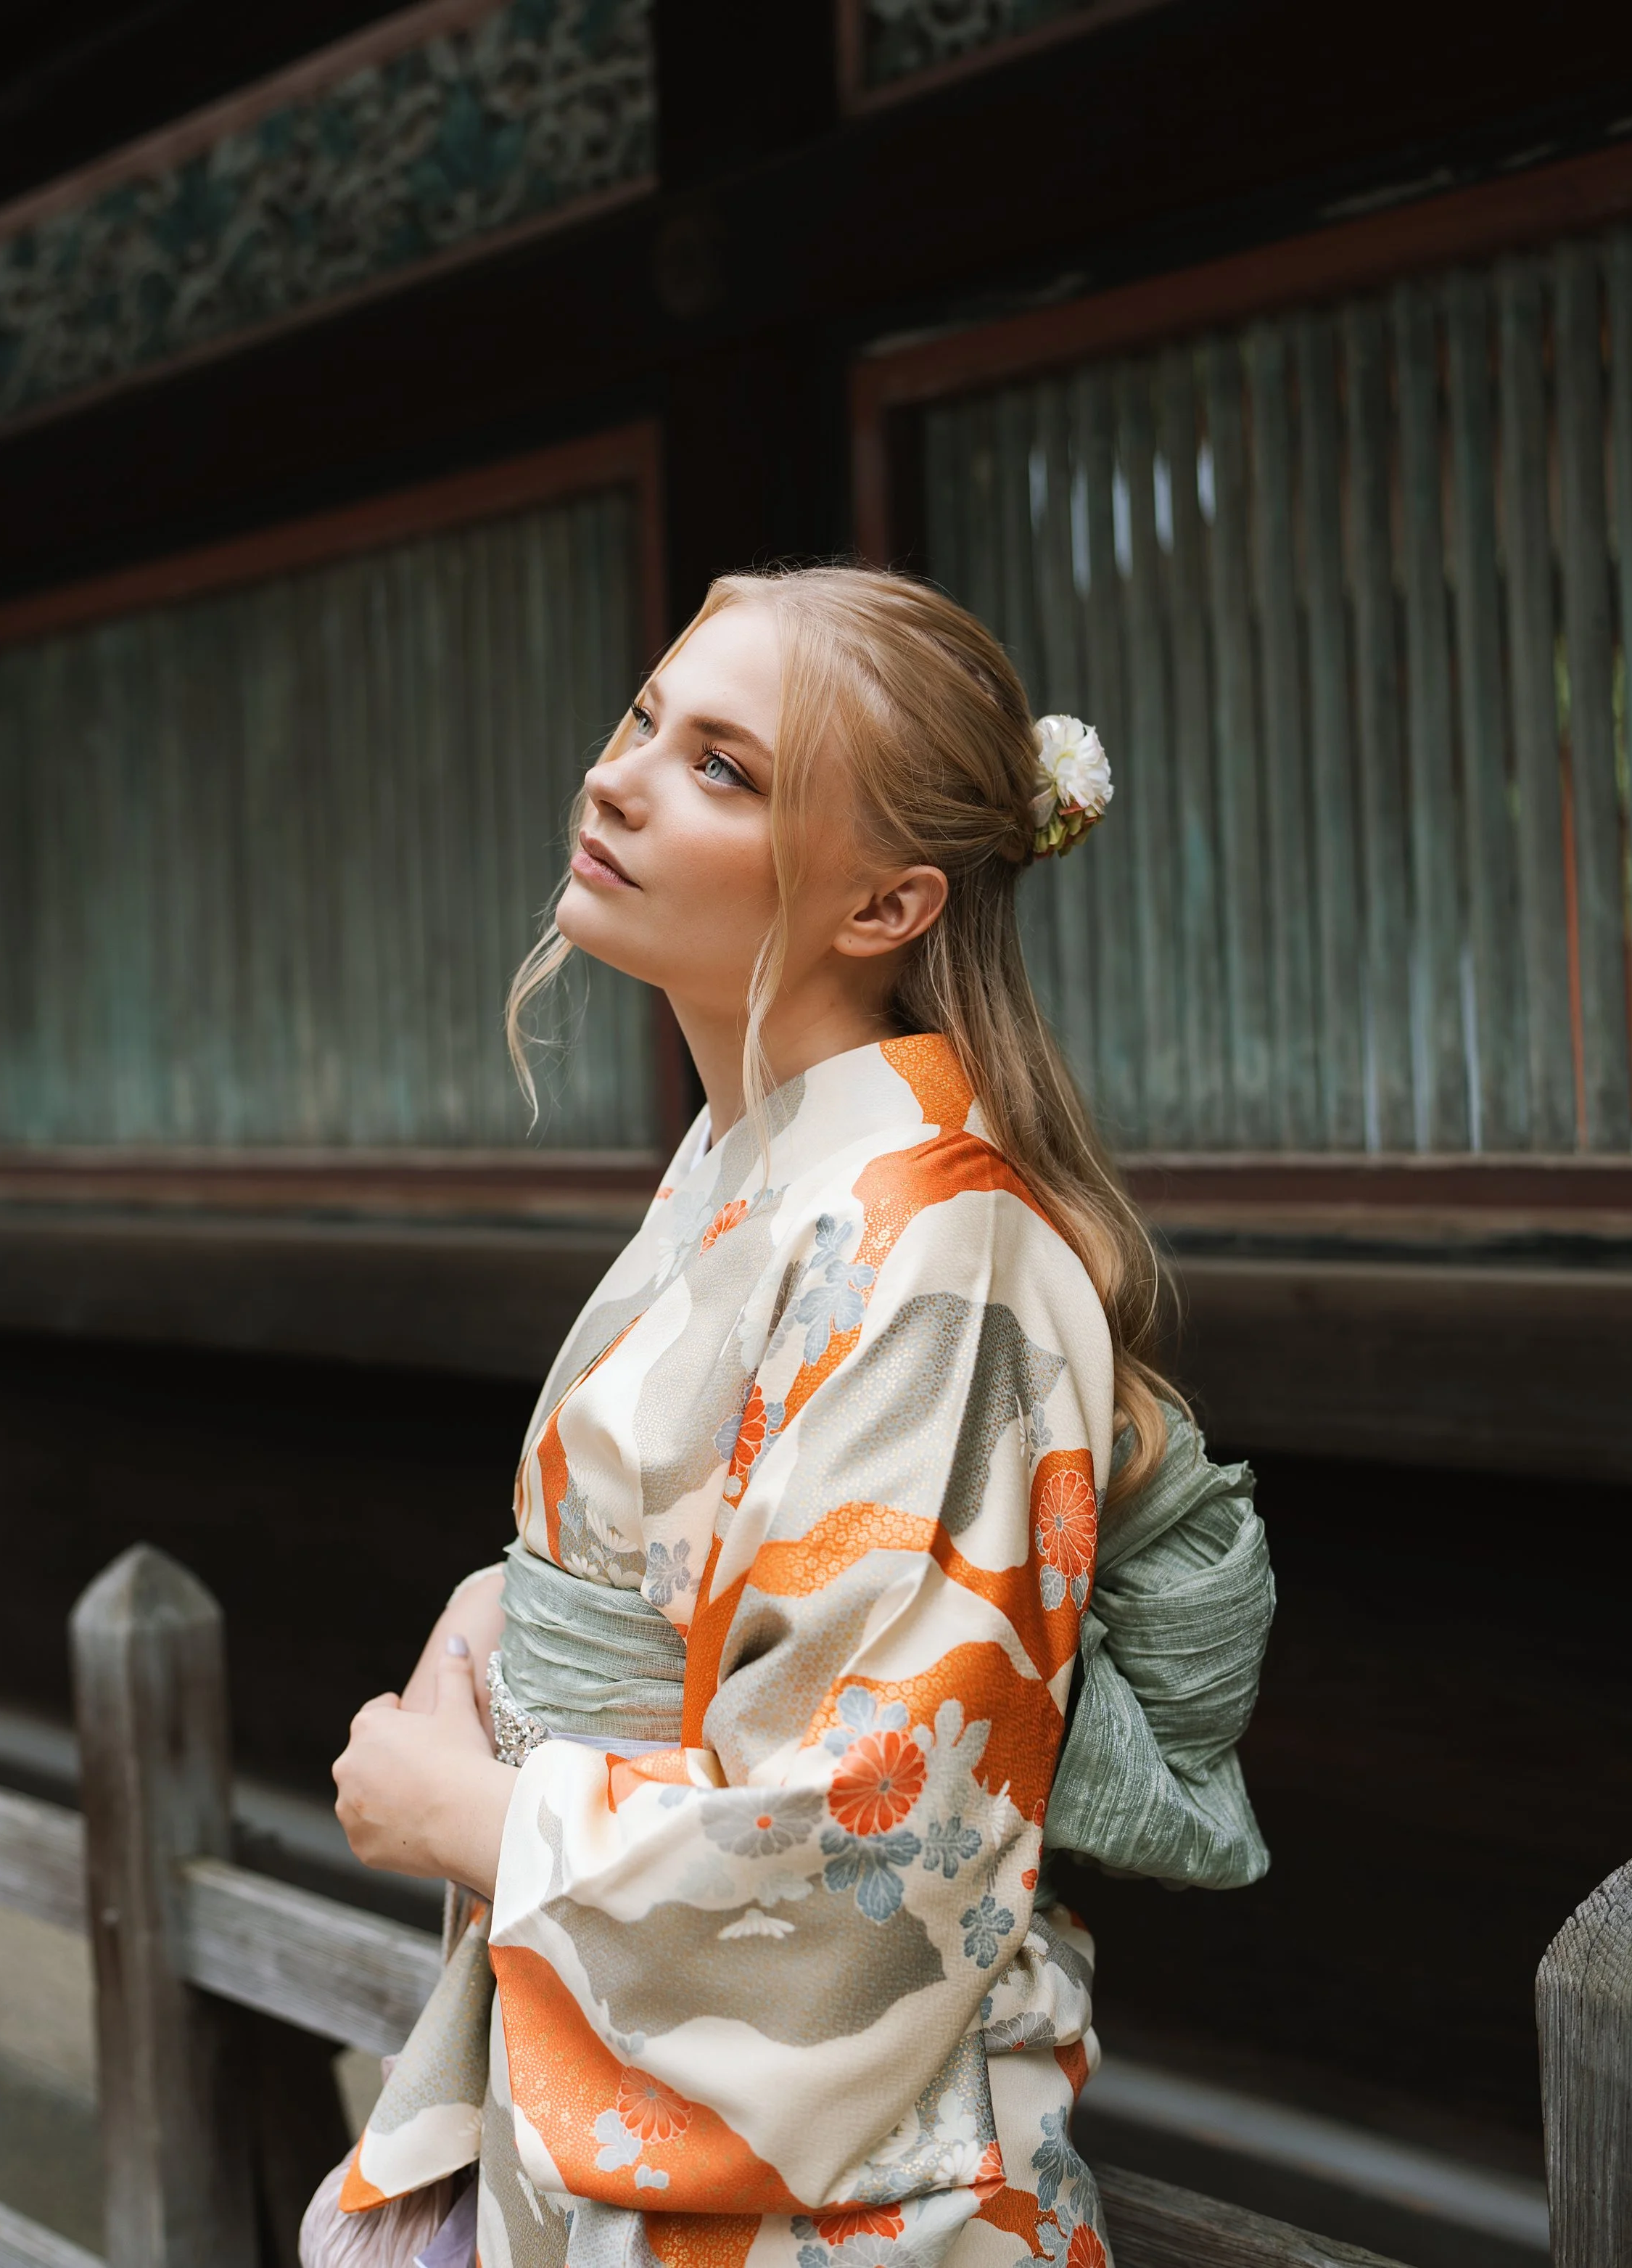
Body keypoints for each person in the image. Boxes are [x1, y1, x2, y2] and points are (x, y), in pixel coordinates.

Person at [323, 566, 1272, 2268]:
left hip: (832, 2193)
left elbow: (878, 1844)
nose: (616, 778)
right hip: (611, 2098)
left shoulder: (940, 1253)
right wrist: (503, 1619)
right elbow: (677, 1585)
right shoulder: (751, 1165)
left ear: (886, 905)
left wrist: (462, 1816)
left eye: (721, 767)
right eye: (642, 721)